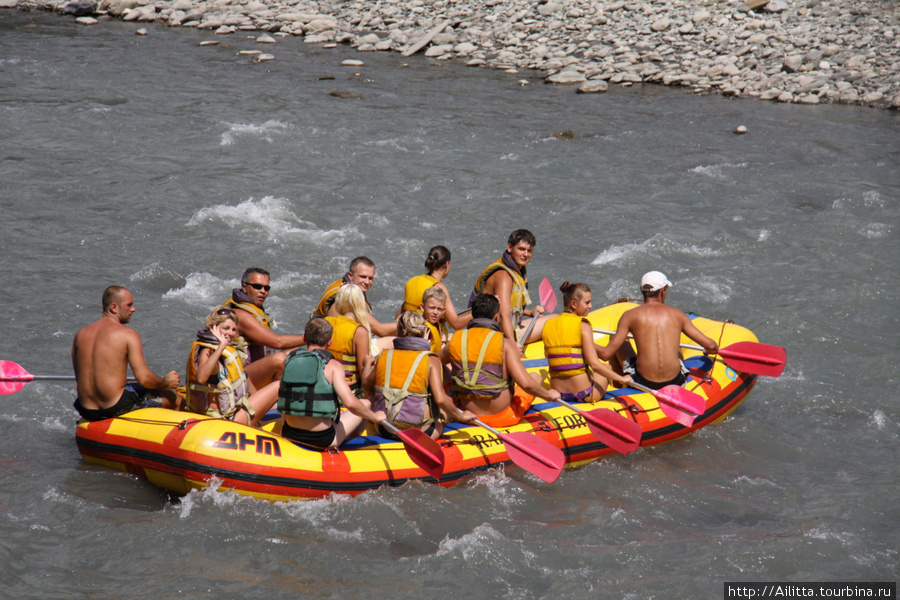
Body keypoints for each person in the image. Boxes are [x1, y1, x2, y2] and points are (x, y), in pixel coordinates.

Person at [440, 293, 560, 428]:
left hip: (466, 412)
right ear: (496, 317)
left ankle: (447, 410)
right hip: (502, 416)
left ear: (473, 315)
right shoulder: (506, 344)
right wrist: (548, 395)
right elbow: (526, 384)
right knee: (535, 377)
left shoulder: (456, 339)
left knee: (444, 369)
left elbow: (435, 361)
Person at [71, 286, 180, 421]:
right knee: (175, 398)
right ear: (114, 308)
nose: (133, 309)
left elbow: (79, 377)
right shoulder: (128, 334)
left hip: (86, 409)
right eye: (129, 305)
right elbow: (144, 378)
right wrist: (166, 382)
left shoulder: (80, 334)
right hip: (114, 407)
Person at [597, 271, 719, 390]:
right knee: (676, 345)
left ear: (641, 290)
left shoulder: (629, 316)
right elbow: (712, 345)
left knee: (614, 337)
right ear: (663, 291)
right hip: (676, 381)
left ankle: (619, 385)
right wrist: (707, 350)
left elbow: (606, 354)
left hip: (643, 381)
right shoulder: (678, 314)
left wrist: (583, 340)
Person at [278, 318, 386, 450]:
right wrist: (375, 417)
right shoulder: (333, 366)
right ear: (330, 342)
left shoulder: (289, 359)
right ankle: (352, 441)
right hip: (323, 439)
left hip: (289, 432)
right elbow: (351, 403)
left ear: (304, 338)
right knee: (365, 403)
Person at [370, 311, 475, 440]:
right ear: (425, 332)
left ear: (401, 331)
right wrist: (461, 416)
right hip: (422, 432)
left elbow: (366, 384)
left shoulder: (384, 356)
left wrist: (365, 367)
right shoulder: (431, 359)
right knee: (444, 410)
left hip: (385, 429)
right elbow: (441, 399)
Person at [184, 307, 280, 426]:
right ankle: (288, 431)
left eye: (234, 329)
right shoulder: (207, 351)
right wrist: (221, 346)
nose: (230, 333)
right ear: (213, 327)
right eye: (226, 328)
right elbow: (201, 378)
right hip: (226, 419)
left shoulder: (217, 349)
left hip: (234, 410)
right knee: (279, 386)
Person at [542, 282, 633, 403]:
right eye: (587, 302)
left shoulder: (548, 325)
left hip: (558, 392)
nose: (590, 306)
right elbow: (594, 364)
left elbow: (548, 355)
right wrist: (621, 378)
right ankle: (622, 387)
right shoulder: (583, 325)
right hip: (582, 394)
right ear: (573, 304)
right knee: (606, 367)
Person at [222, 267, 305, 389]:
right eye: (257, 286)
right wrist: (312, 338)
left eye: (266, 288)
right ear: (244, 287)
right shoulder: (240, 315)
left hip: (250, 372)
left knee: (297, 351)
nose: (263, 291)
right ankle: (277, 398)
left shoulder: (254, 311)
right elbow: (278, 342)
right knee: (279, 359)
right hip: (236, 377)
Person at [469, 229, 551, 348]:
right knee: (554, 320)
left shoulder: (516, 269)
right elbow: (503, 316)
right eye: (521, 249)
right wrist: (514, 347)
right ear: (509, 248)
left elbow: (509, 306)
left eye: (529, 251)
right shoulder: (504, 277)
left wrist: (530, 312)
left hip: (507, 329)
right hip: (494, 335)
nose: (526, 254)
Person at [312, 256, 397, 338]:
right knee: (393, 340)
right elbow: (381, 331)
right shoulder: (344, 297)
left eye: (370, 278)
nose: (367, 282)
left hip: (340, 338)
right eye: (363, 277)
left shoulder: (348, 286)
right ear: (350, 276)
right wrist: (406, 323)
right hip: (330, 345)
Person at [396, 245, 472, 334]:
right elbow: (456, 324)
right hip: (426, 336)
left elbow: (398, 316)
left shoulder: (413, 281)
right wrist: (477, 312)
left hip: (407, 334)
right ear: (447, 264)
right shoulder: (439, 288)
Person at [324, 284, 373, 400]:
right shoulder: (359, 332)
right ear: (360, 304)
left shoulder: (326, 322)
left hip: (325, 386)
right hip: (348, 391)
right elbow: (364, 377)